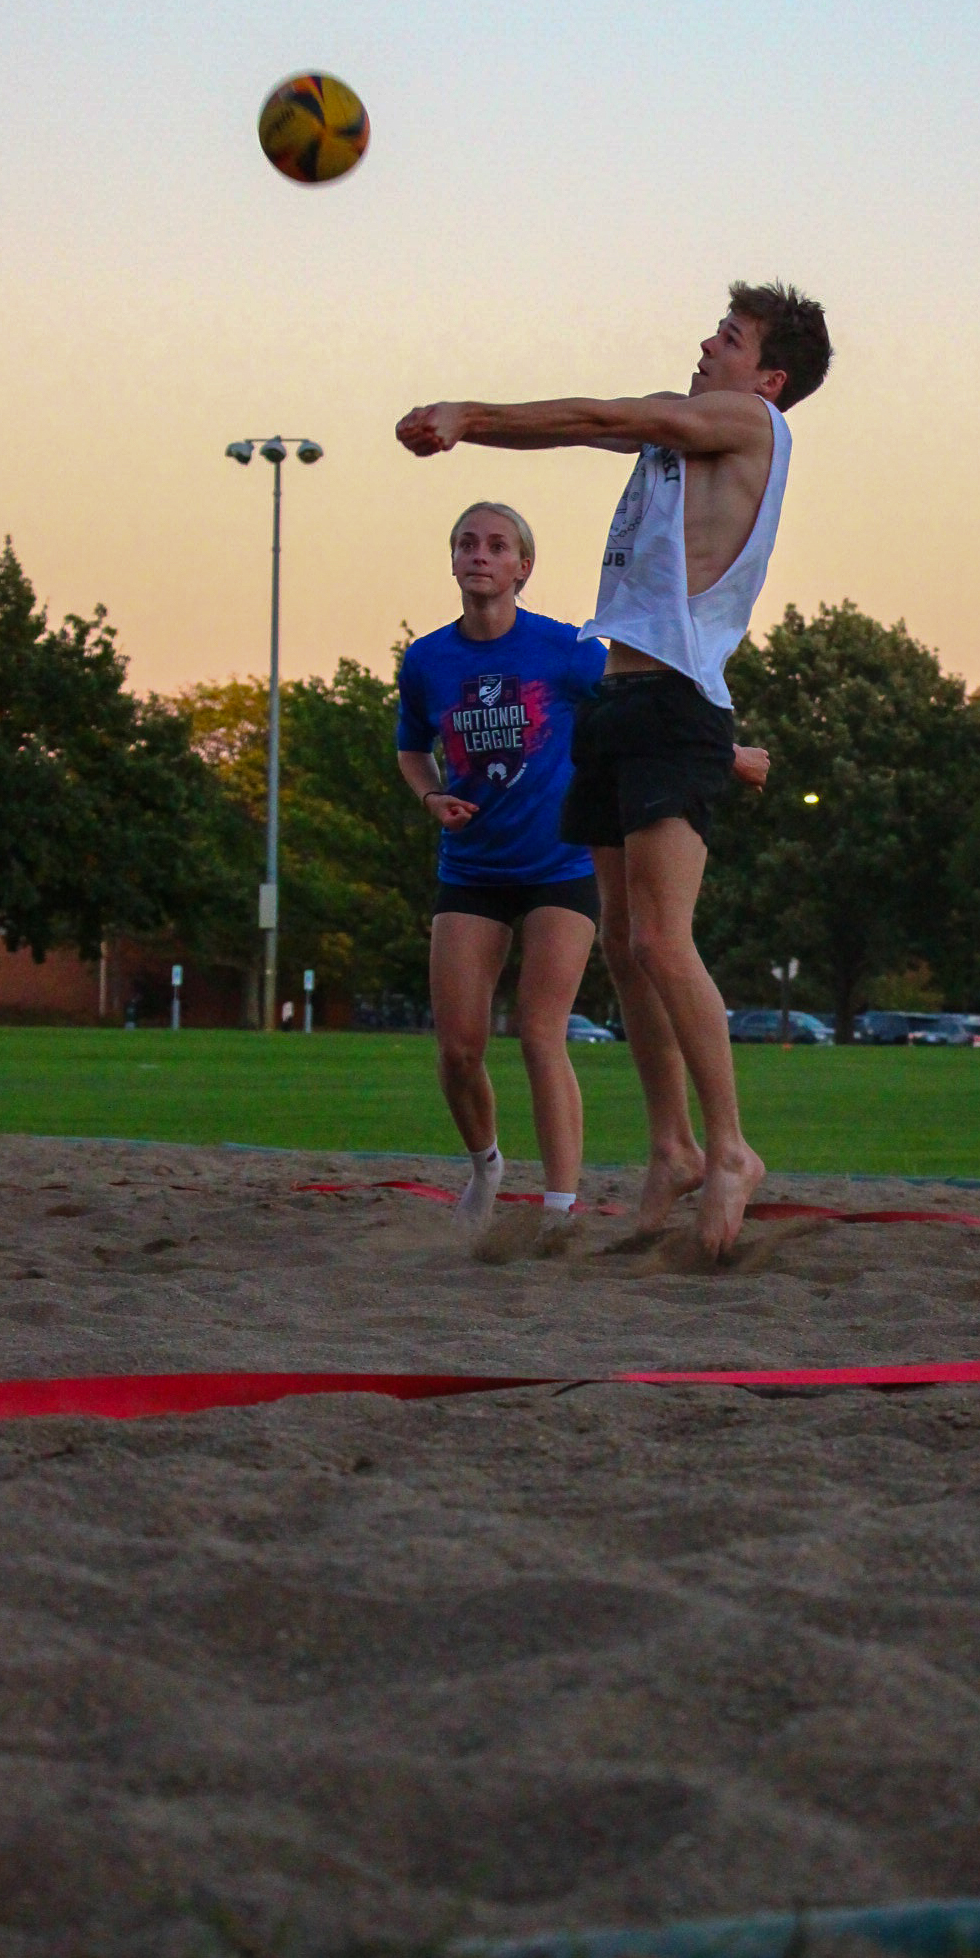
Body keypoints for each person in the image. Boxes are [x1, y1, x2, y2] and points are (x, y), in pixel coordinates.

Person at [397, 278, 830, 1258]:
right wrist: (494, 429)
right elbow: (593, 425)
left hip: (676, 700)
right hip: (621, 701)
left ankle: (730, 1150)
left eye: (728, 337)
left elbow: (606, 411)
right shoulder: (683, 437)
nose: (707, 344)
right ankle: (671, 1146)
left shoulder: (746, 424)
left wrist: (468, 415)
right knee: (630, 946)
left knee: (665, 942)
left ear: (768, 376)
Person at [398, 501, 766, 1236]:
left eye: (497, 545)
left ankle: (560, 1210)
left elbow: (648, 716)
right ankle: (486, 1166)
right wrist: (431, 793)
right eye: (466, 542)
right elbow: (411, 746)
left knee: (541, 1031)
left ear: (522, 568)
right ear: (452, 559)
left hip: (558, 863)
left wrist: (726, 755)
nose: (480, 555)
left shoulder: (568, 650)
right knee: (460, 1047)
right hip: (470, 867)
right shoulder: (427, 660)